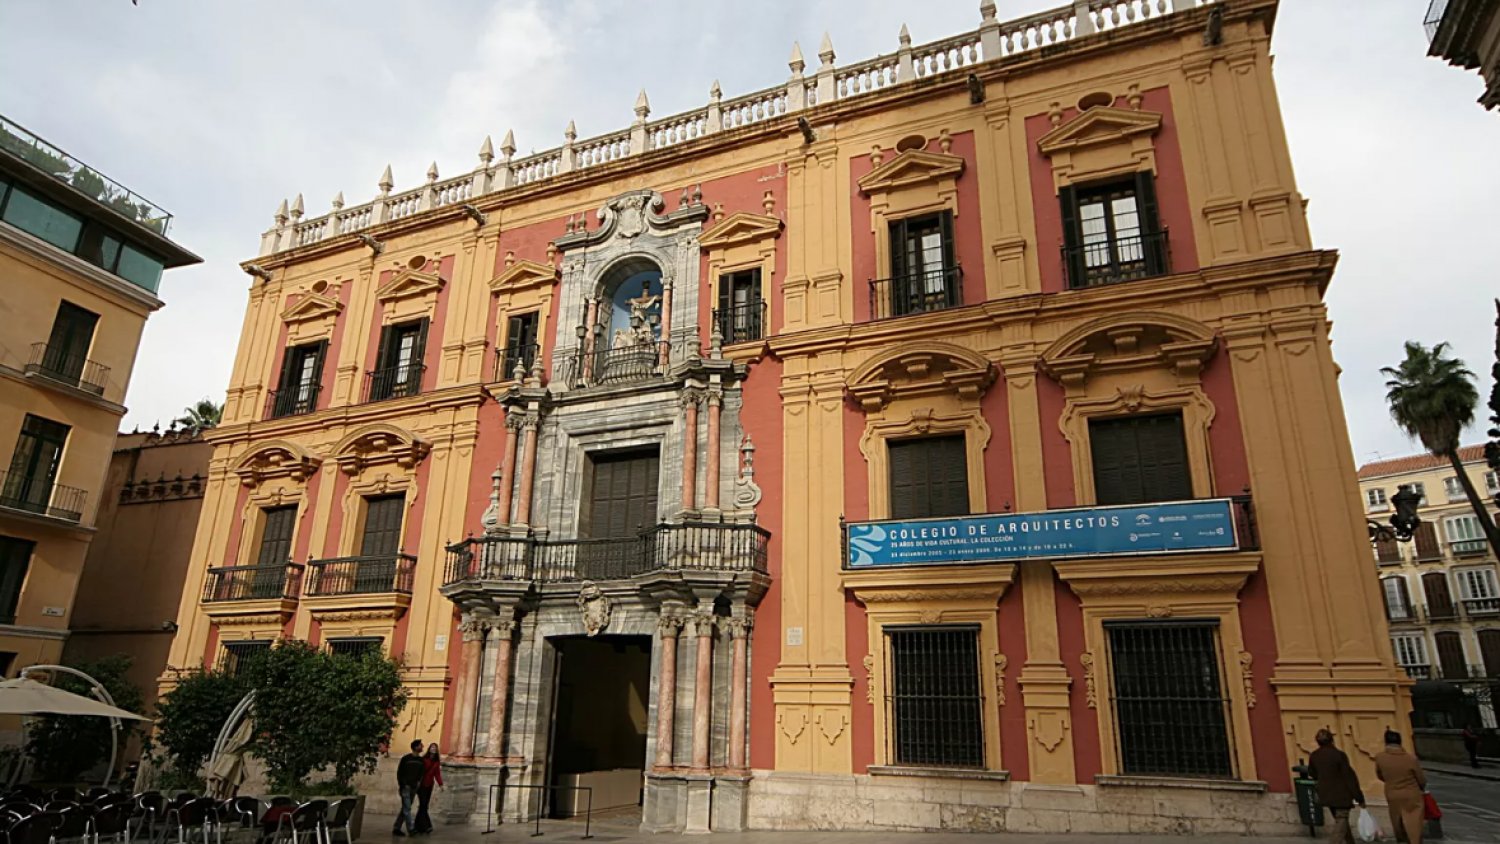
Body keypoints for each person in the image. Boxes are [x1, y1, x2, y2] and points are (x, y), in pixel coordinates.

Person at [1307, 728, 1366, 844]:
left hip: (1325, 793)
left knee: (1341, 820)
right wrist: (1359, 797)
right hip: (1341, 794)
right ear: (1332, 740)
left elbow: (1312, 773)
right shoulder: (1339, 755)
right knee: (1341, 820)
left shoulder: (1314, 756)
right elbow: (1348, 776)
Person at [1375, 729, 1427, 844]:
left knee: (1397, 821)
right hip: (1412, 793)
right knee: (1414, 824)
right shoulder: (1410, 758)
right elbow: (1421, 779)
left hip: (1392, 793)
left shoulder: (1380, 757)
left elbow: (1379, 775)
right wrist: (1421, 788)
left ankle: (1402, 840)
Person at [393, 739, 425, 837]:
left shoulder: (421, 760)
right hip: (406, 787)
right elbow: (400, 772)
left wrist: (418, 783)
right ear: (415, 747)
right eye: (420, 745)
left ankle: (396, 827)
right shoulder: (406, 759)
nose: (422, 747)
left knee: (405, 808)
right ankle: (411, 829)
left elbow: (421, 774)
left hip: (414, 787)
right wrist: (402, 784)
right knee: (407, 808)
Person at [413, 743, 443, 835]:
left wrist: (441, 784)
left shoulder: (437, 761)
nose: (433, 749)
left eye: (435, 748)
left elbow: (437, 774)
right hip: (421, 785)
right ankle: (427, 826)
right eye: (432, 747)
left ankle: (417, 826)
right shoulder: (424, 759)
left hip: (429, 785)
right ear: (429, 749)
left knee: (424, 806)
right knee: (423, 805)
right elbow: (419, 771)